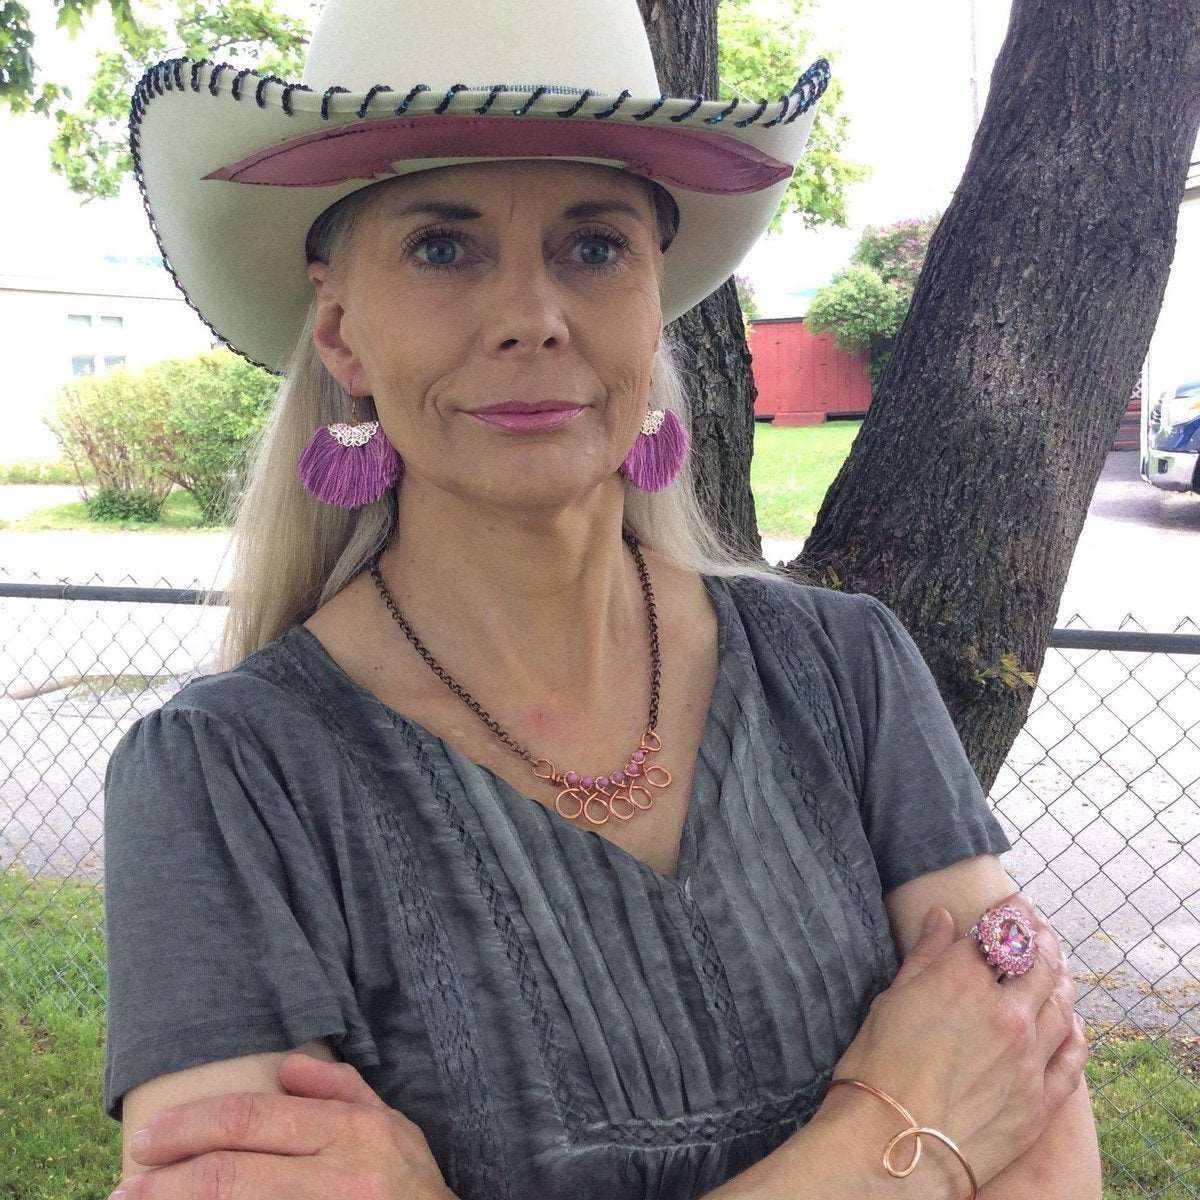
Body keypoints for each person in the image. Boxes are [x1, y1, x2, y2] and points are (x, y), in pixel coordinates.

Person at [101, 0, 1096, 1197]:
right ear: (341, 332)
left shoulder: (846, 671)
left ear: (654, 298)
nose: (533, 318)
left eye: (593, 245)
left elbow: (1037, 1115)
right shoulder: (225, 779)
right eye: (441, 247)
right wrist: (893, 1138)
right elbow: (968, 1113)